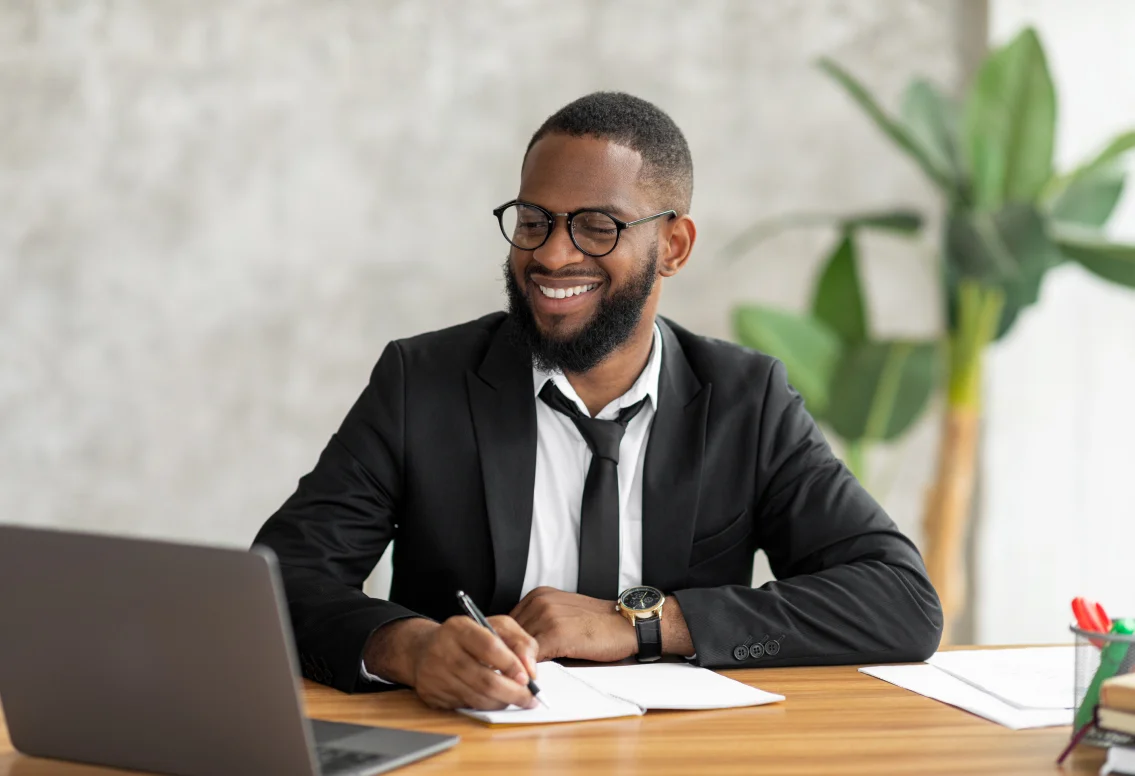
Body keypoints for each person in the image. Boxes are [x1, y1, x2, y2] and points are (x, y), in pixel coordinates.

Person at [253, 92, 943, 712]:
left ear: (672, 245)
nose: (552, 256)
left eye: (596, 226)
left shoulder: (744, 399)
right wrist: (411, 648)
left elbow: (899, 601)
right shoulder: (422, 381)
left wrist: (644, 623)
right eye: (534, 220)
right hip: (469, 750)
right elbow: (281, 582)